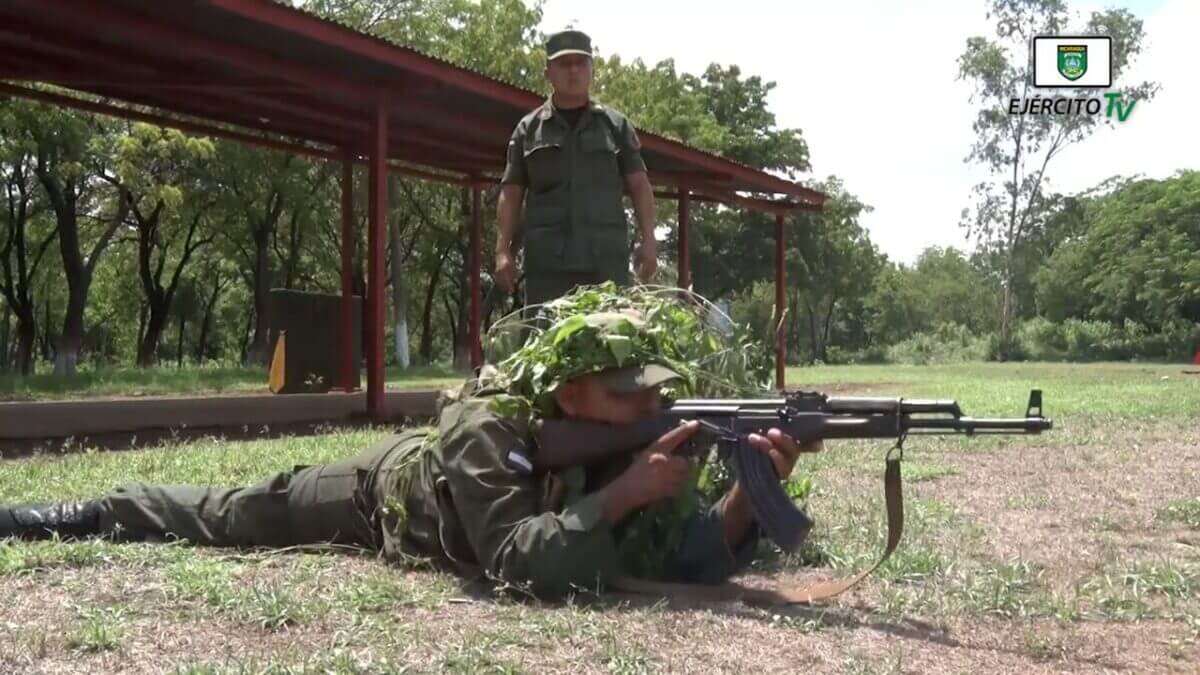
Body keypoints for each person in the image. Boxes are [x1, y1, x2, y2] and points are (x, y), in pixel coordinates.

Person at [0, 310, 814, 600]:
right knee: (232, 514)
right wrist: (623, 494)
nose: (652, 407)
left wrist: (751, 494)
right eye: (629, 392)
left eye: (656, 391)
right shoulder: (484, 427)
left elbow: (684, 558)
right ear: (568, 396)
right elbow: (508, 561)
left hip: (469, 507)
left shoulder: (632, 439)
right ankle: (90, 511)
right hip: (375, 494)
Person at [494, 29, 659, 310]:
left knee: (608, 346)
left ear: (592, 69)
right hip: (548, 269)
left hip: (604, 265)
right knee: (545, 347)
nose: (573, 71)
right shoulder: (528, 130)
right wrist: (502, 251)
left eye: (580, 63)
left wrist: (649, 241)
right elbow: (511, 194)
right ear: (548, 72)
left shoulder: (615, 126)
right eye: (564, 64)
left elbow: (640, 186)